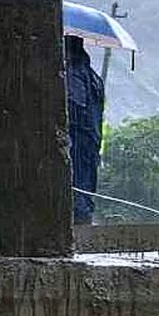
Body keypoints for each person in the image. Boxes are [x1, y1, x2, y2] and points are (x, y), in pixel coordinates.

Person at [65, 36, 106, 223]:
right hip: (92, 141)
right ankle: (84, 221)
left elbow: (75, 107)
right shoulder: (94, 77)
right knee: (87, 185)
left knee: (76, 185)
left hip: (78, 139)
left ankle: (78, 226)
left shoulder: (73, 74)